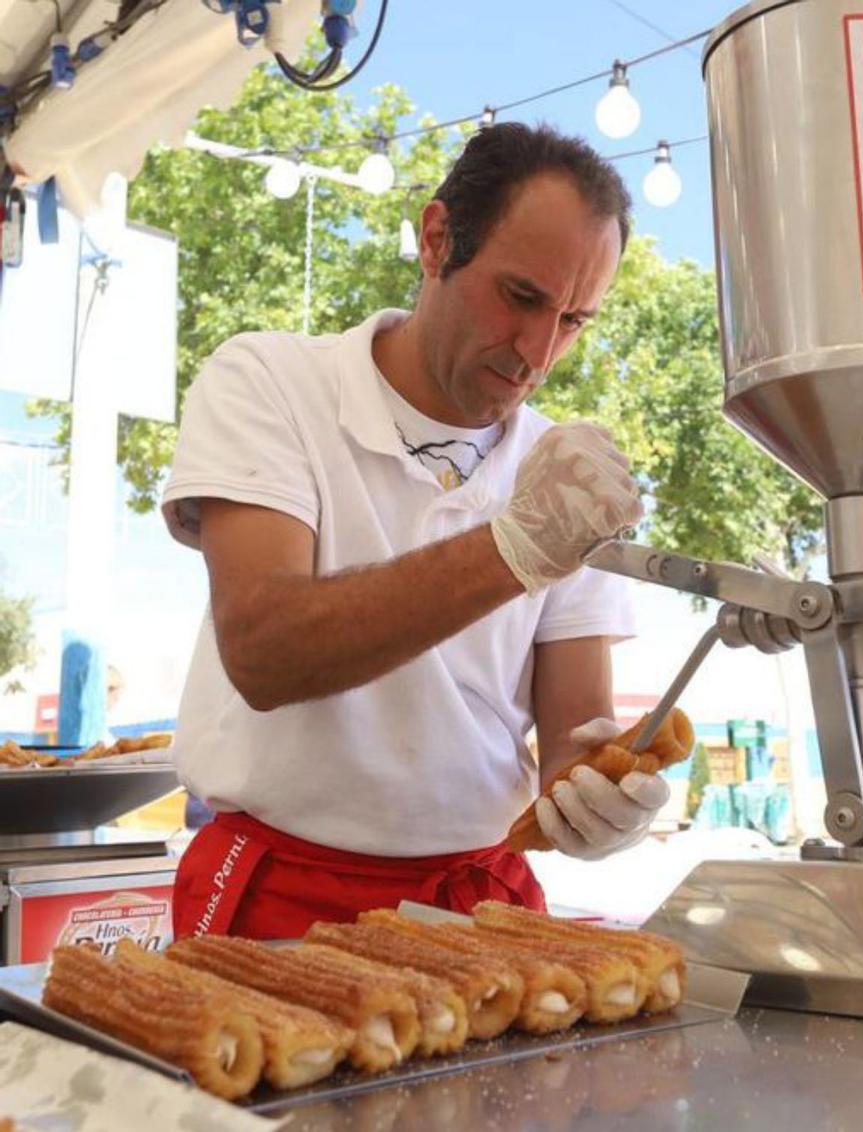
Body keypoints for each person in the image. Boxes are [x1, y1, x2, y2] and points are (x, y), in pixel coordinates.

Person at [161, 123, 661, 941]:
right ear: (437, 240)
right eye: (522, 297)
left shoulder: (561, 472)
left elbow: (574, 739)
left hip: (486, 897)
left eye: (574, 320)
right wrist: (514, 547)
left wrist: (601, 799)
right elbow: (265, 649)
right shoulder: (271, 382)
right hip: (281, 894)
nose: (537, 352)